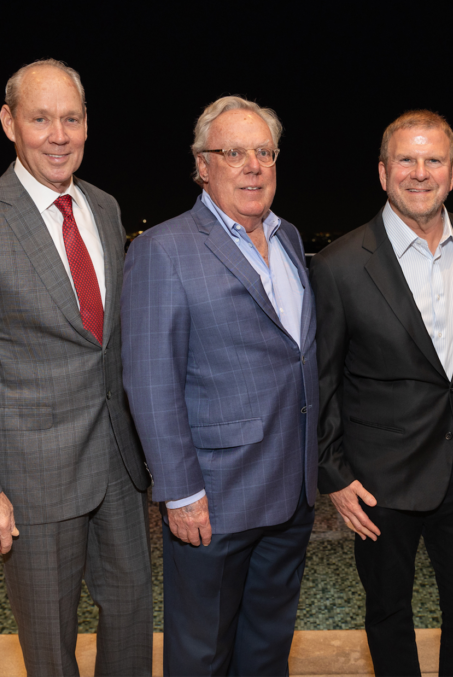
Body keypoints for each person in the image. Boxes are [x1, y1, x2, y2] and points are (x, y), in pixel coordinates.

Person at [0, 59, 152, 677]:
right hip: (29, 481)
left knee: (130, 622)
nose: (58, 134)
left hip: (117, 468)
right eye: (41, 118)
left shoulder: (104, 207)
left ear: (86, 125)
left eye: (70, 118)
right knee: (50, 647)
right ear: (9, 123)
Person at [121, 96, 318, 676]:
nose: (252, 165)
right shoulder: (163, 249)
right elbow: (149, 378)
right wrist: (180, 491)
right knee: (201, 655)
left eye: (264, 152)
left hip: (290, 492)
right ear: (202, 166)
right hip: (215, 499)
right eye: (234, 153)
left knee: (265, 652)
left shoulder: (288, 238)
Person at [310, 110, 453, 676]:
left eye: (434, 159)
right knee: (388, 611)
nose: (421, 172)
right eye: (407, 160)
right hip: (381, 479)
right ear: (383, 172)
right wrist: (335, 475)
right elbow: (321, 379)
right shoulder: (341, 264)